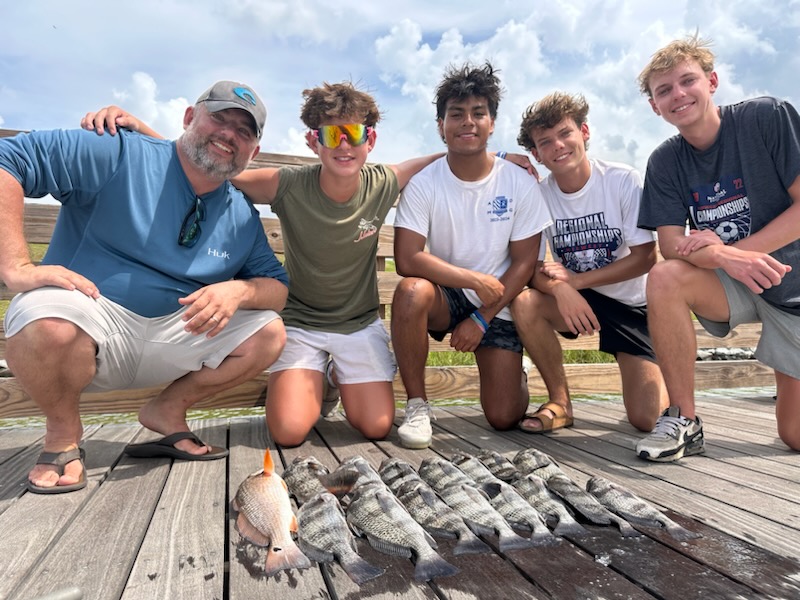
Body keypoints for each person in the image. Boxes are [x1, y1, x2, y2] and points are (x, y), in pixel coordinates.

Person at [86, 82, 535, 448]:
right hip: (300, 323)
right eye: (331, 135)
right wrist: (141, 129)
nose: (344, 145)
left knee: (377, 426)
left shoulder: (383, 182)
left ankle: (335, 378)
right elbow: (207, 163)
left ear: (370, 140)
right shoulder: (287, 184)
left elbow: (445, 156)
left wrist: (500, 158)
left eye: (353, 134)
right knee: (288, 432)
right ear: (313, 141)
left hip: (357, 325)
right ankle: (315, 377)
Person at [0, 81, 289, 494]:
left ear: (253, 152)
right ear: (189, 117)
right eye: (219, 118)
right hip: (95, 322)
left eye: (244, 131)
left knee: (269, 333)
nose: (229, 134)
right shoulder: (118, 151)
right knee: (43, 320)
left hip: (177, 332)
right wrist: (15, 265)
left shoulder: (241, 213)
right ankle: (62, 435)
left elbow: (277, 287)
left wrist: (239, 291)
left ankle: (167, 410)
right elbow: (8, 158)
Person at [635, 34, 800, 461]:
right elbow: (671, 245)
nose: (678, 94)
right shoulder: (664, 161)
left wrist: (738, 251)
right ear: (654, 106)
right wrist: (724, 256)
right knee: (665, 277)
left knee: (795, 434)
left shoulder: (766, 117)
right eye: (664, 90)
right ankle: (684, 420)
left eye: (687, 80)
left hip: (793, 284)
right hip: (734, 282)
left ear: (712, 81)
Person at [391, 62, 552, 449]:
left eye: (478, 113)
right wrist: (472, 280)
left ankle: (516, 370)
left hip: (499, 298)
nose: (468, 122)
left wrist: (482, 317)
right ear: (441, 125)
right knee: (411, 291)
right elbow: (407, 259)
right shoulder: (424, 183)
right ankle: (417, 405)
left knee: (503, 417)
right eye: (456, 114)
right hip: (449, 293)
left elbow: (525, 262)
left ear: (491, 123)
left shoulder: (518, 181)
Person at [510, 91, 668, 434]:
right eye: (545, 142)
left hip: (630, 304)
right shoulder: (539, 195)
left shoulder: (622, 180)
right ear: (536, 155)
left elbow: (645, 258)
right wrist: (561, 289)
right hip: (577, 301)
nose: (558, 145)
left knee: (648, 419)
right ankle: (560, 402)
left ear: (584, 132)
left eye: (565, 133)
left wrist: (576, 282)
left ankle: (659, 372)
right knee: (525, 303)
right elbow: (531, 268)